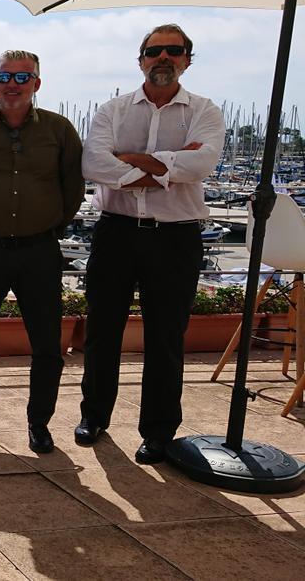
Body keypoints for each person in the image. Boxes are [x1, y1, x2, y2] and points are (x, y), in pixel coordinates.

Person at [77, 25, 225, 464]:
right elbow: (93, 162)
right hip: (116, 231)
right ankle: (94, 415)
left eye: (173, 50)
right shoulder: (114, 110)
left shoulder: (204, 110)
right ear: (140, 59)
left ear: (187, 59)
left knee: (166, 338)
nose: (163, 57)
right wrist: (167, 166)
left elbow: (202, 163)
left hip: (176, 236)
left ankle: (158, 432)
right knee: (102, 332)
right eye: (153, 50)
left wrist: (129, 161)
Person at [0, 50, 84, 454]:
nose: (12, 85)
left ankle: (38, 422)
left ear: (36, 85)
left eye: (22, 78)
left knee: (47, 344)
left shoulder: (60, 132)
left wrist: (49, 227)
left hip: (39, 251)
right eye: (5, 77)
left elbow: (72, 189)